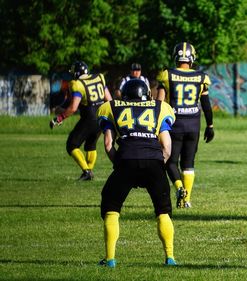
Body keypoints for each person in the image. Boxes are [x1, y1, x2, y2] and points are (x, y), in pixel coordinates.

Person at [96, 79, 177, 267]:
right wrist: (158, 165)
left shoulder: (111, 107)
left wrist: (120, 164)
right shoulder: (160, 107)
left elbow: (108, 144)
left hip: (126, 159)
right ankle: (170, 257)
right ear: (148, 94)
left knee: (111, 207)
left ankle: (110, 259)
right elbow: (167, 146)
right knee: (163, 211)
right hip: (154, 160)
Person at [156, 42, 214, 209]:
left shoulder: (167, 75)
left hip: (173, 125)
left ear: (176, 57)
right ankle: (186, 199)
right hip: (193, 125)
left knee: (170, 162)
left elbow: (159, 103)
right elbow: (206, 105)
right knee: (188, 163)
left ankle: (180, 188)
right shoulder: (201, 77)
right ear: (192, 57)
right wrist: (210, 125)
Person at [49, 61, 112, 180]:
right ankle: (89, 172)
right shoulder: (99, 78)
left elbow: (73, 108)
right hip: (101, 118)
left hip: (89, 118)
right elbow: (109, 100)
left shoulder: (77, 84)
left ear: (77, 73)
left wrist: (59, 118)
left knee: (72, 145)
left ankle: (86, 171)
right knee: (91, 146)